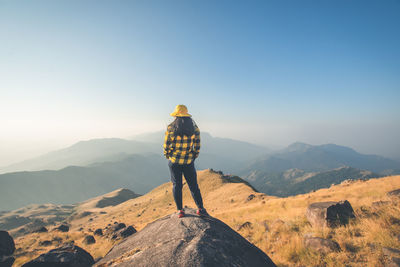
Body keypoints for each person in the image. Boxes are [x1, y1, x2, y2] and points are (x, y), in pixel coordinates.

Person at [163, 104, 208, 218]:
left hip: (174, 161)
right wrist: (194, 156)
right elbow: (197, 145)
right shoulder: (194, 128)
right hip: (188, 162)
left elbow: (166, 145)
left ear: (176, 116)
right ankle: (201, 209)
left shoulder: (171, 128)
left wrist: (168, 155)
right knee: (193, 186)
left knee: (177, 185)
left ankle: (180, 211)